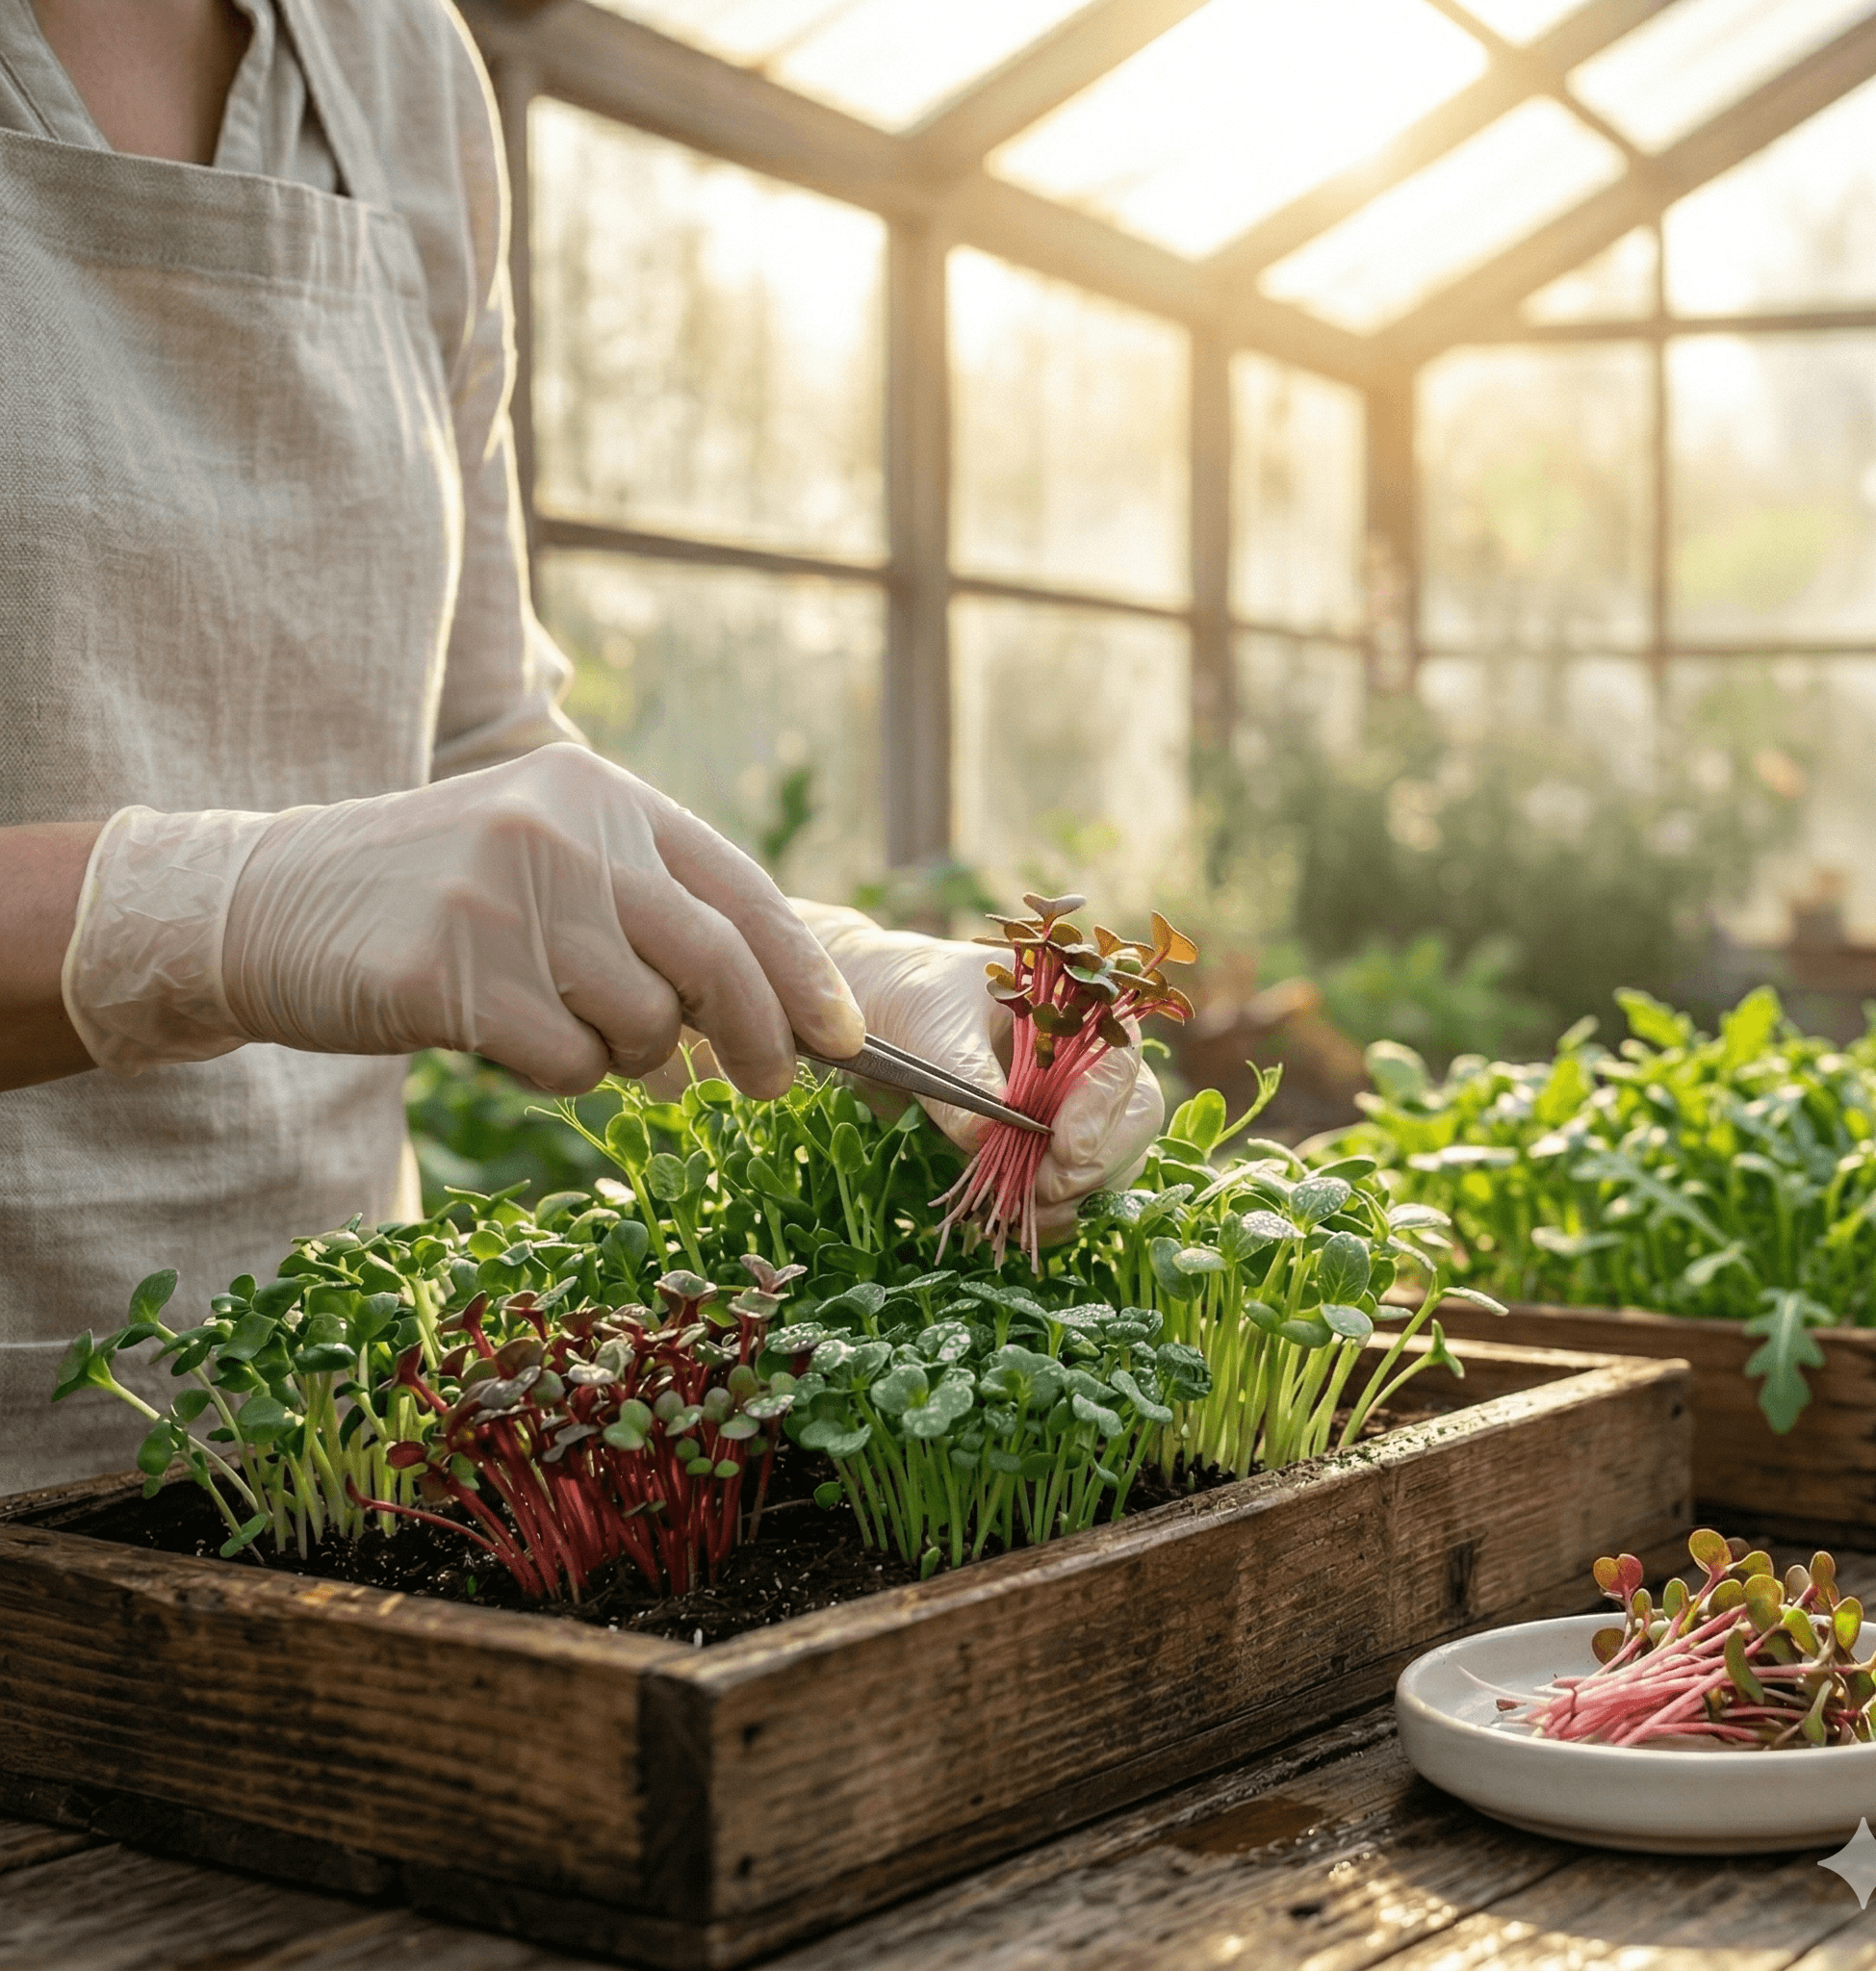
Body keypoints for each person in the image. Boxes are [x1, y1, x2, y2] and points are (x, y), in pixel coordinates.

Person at [0, 0, 1162, 1494]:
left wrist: (818, 963)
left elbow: (478, 737)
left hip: (334, 1427)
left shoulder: (396, 56)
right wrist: (211, 917)